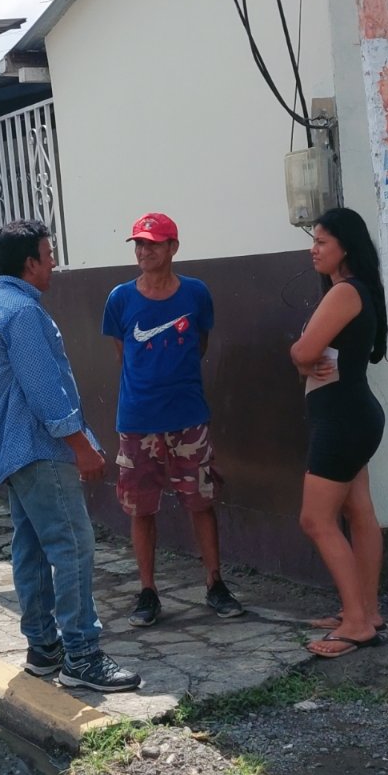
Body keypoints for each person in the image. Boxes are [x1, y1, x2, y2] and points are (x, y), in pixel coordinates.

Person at [0, 219, 143, 693]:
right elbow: (46, 389)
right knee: (72, 545)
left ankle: (44, 648)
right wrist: (80, 444)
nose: (54, 265)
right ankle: (82, 654)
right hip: (40, 448)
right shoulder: (22, 313)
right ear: (29, 263)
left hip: (15, 452)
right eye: (48, 256)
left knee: (31, 547)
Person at [101, 212, 243, 626]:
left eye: (153, 243)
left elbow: (199, 345)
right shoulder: (120, 299)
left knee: (201, 501)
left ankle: (215, 583)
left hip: (188, 416)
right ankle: (147, 592)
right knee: (140, 508)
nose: (144, 251)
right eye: (138, 244)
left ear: (173, 247)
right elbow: (123, 354)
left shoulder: (196, 293)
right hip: (137, 421)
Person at [287, 207, 388, 658]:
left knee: (315, 519)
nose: (314, 249)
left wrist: (299, 355)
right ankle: (366, 611)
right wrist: (306, 360)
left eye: (322, 242)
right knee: (358, 511)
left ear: (345, 248)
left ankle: (357, 625)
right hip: (352, 416)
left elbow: (304, 352)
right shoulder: (353, 290)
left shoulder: (345, 292)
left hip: (342, 421)